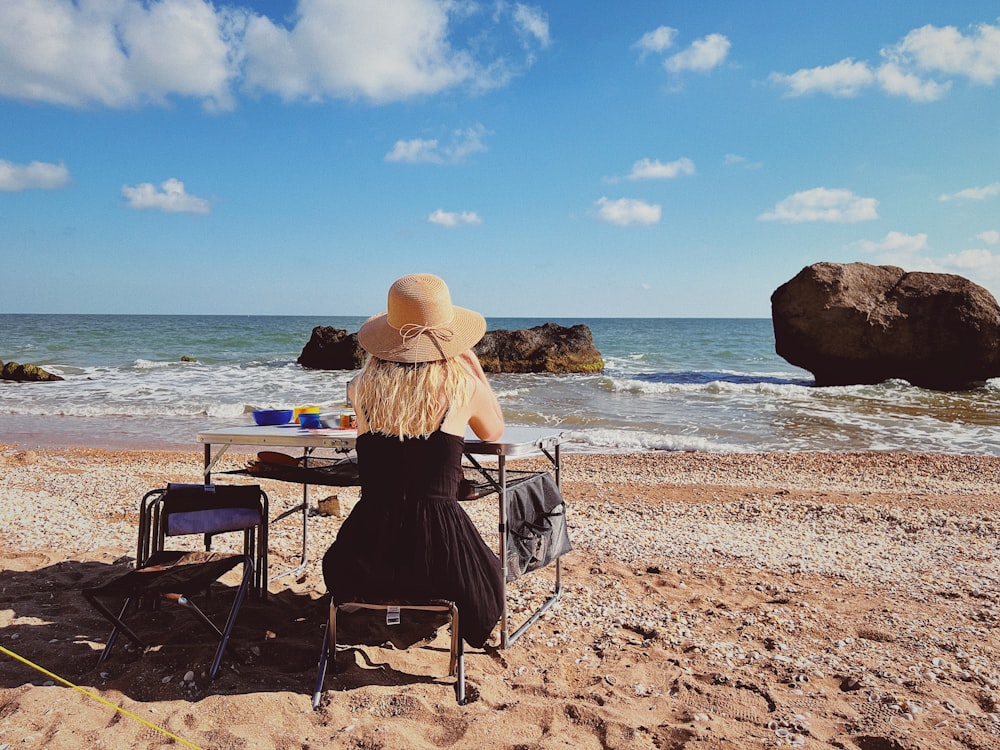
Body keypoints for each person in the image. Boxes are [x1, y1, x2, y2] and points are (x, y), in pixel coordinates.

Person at [322, 273, 505, 648]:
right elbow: (493, 432)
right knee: (491, 579)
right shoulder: (462, 387)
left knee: (345, 565)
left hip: (367, 553)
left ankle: (367, 607)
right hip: (439, 558)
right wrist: (476, 369)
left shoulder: (360, 388)